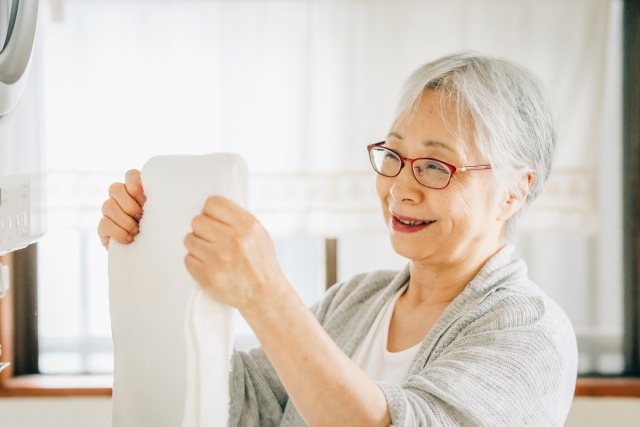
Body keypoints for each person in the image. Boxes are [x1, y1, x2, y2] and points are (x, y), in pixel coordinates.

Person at [98, 52, 578, 426]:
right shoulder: (357, 298)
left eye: (435, 166)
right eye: (393, 154)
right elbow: (238, 406)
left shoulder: (532, 335)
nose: (399, 188)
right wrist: (156, 253)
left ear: (515, 191)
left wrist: (266, 293)